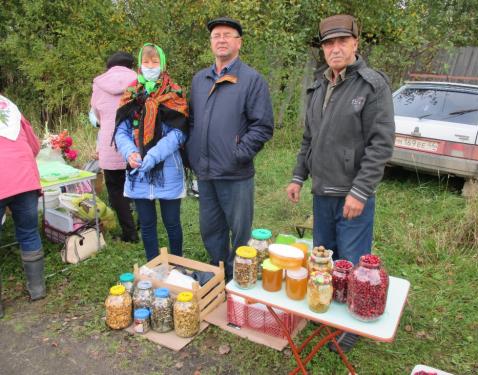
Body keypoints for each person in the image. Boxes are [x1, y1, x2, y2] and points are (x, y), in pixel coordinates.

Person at [286, 14, 395, 351]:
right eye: (328, 44)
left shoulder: (372, 85)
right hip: (322, 192)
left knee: (352, 261)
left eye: (341, 42)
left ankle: (351, 327)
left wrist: (360, 191)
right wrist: (297, 176)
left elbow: (381, 144)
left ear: (355, 44)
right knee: (326, 259)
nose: (335, 49)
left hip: (352, 196)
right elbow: (309, 138)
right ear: (323, 50)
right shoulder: (318, 85)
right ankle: (328, 310)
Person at [186, 17, 274, 280]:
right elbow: (192, 121)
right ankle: (219, 272)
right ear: (211, 43)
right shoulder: (200, 79)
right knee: (210, 228)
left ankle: (239, 276)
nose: (221, 39)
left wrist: (238, 154)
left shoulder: (251, 80)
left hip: (235, 173)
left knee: (240, 230)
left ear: (239, 42)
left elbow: (262, 126)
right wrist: (192, 153)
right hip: (206, 171)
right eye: (216, 35)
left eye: (227, 35)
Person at [113, 43, 188, 261]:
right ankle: (153, 265)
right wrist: (129, 153)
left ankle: (177, 264)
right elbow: (121, 131)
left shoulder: (174, 93)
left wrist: (153, 155)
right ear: (139, 64)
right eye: (146, 62)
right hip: (139, 172)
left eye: (155, 62)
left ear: (163, 64)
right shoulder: (131, 93)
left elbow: (179, 133)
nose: (150, 66)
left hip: (168, 171)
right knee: (146, 224)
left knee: (172, 223)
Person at [0, 95, 46, 318]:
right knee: (28, 232)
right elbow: (34, 145)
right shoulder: (10, 107)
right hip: (24, 177)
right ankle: (37, 289)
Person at [91, 51, 139, 243]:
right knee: (140, 184)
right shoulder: (140, 80)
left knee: (116, 189)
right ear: (130, 65)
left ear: (109, 66)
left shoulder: (99, 84)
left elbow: (97, 113)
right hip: (135, 141)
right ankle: (144, 223)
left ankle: (129, 233)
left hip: (110, 142)